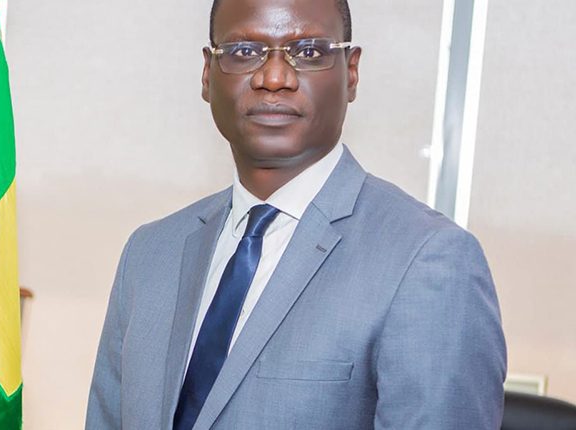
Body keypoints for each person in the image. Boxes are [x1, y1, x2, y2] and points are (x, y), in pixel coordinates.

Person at [86, 0, 507, 428]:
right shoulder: (149, 253)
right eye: (244, 51)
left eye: (308, 52)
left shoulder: (429, 261)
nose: (273, 78)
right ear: (208, 74)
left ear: (351, 73)